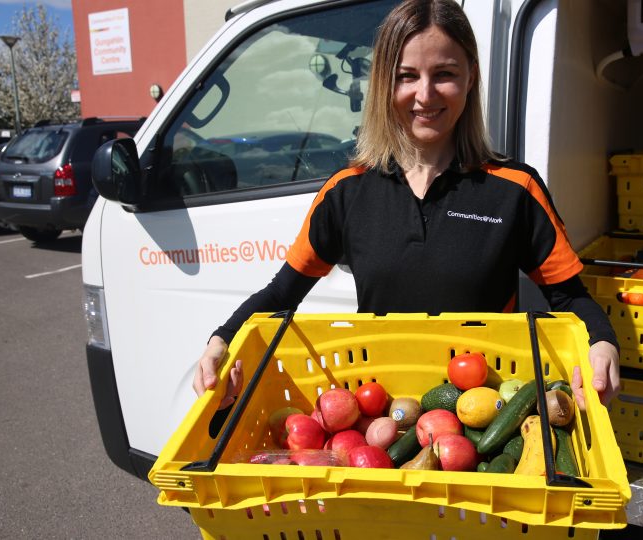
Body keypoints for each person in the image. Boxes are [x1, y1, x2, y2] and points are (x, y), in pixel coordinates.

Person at [193, 0, 620, 411]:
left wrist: (601, 341)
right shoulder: (347, 191)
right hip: (377, 413)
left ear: (470, 78)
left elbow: (568, 299)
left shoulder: (516, 189)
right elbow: (281, 293)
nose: (425, 94)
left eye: (445, 73)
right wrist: (222, 340)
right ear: (384, 84)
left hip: (481, 418)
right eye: (406, 76)